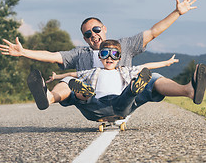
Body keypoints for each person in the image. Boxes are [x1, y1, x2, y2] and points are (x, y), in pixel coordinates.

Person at [0, 0, 206, 111]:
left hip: (125, 98)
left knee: (153, 78)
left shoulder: (123, 45)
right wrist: (24, 52)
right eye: (88, 34)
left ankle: (189, 90)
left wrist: (177, 13)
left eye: (96, 30)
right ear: (84, 39)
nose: (93, 35)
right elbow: (53, 55)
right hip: (93, 104)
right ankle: (49, 97)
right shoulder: (80, 54)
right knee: (69, 85)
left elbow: (153, 32)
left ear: (104, 29)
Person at [43, 39, 181, 121]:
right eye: (105, 54)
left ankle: (134, 87)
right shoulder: (93, 72)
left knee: (128, 94)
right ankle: (83, 93)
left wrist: (166, 63)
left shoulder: (124, 70)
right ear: (100, 58)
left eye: (114, 54)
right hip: (97, 105)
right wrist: (57, 77)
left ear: (119, 58)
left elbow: (146, 66)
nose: (109, 58)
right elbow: (73, 73)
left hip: (119, 103)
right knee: (85, 95)